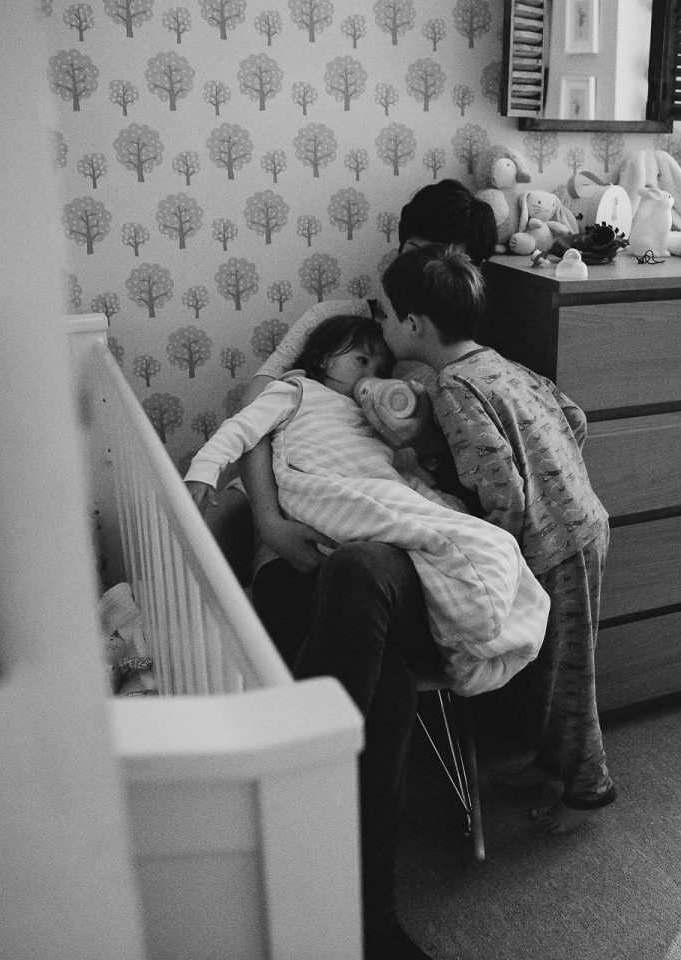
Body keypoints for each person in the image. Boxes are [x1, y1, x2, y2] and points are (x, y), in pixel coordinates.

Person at [203, 179, 498, 960]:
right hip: (302, 550)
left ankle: (299, 836)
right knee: (390, 690)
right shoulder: (329, 325)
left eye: (448, 263)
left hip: (393, 559)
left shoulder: (449, 359)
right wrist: (269, 519)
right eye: (419, 255)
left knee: (364, 568)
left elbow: (445, 477)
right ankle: (362, 922)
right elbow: (255, 410)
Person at [375, 243, 616, 835]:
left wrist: (500, 554)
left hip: (554, 546)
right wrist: (560, 479)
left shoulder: (452, 388)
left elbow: (500, 485)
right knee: (553, 667)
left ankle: (589, 789)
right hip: (581, 525)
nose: (381, 326)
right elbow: (574, 416)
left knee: (567, 676)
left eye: (384, 315)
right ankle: (549, 761)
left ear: (413, 324)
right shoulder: (498, 364)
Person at [186, 315, 547, 698]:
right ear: (324, 360)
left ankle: (473, 600)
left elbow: (394, 468)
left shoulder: (374, 415)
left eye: (380, 368)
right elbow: (242, 427)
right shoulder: (296, 390)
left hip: (376, 493)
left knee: (447, 519)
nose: (370, 373)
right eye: (361, 361)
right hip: (326, 487)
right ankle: (472, 602)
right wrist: (204, 470)